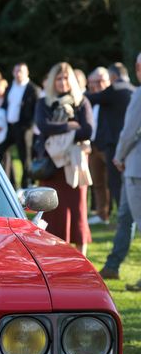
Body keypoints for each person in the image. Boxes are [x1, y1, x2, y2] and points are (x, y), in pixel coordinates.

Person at [35, 62, 93, 255]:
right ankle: (50, 256)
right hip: (51, 166)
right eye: (58, 78)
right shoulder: (44, 102)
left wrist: (60, 132)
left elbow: (88, 130)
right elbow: (44, 127)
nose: (62, 82)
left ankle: (81, 257)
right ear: (52, 81)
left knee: (78, 211)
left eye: (66, 77)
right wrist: (70, 127)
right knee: (51, 213)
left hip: (73, 166)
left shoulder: (81, 101)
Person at [86, 62, 135, 220]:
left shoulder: (114, 89)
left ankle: (125, 218)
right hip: (127, 144)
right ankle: (107, 215)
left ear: (112, 77)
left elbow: (90, 98)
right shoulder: (133, 90)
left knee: (115, 183)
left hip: (113, 145)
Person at [111, 52, 141, 290]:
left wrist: (119, 156)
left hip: (135, 168)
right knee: (125, 217)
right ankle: (113, 264)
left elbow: (129, 131)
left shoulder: (139, 93)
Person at [0, 63, 40, 189]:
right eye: (16, 71)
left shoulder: (33, 89)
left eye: (21, 71)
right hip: (10, 127)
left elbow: (37, 110)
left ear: (27, 72)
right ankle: (7, 183)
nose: (18, 74)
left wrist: (29, 126)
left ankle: (26, 186)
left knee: (25, 158)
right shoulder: (10, 87)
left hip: (24, 128)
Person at [85, 67, 112, 226]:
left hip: (108, 147)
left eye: (100, 81)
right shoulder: (91, 99)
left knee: (113, 183)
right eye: (93, 82)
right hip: (93, 146)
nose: (96, 85)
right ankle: (103, 215)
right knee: (98, 183)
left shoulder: (112, 98)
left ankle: (122, 216)